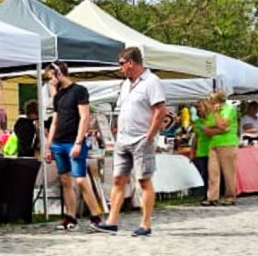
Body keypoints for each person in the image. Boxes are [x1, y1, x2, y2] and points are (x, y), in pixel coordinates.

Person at [100, 47, 166, 237]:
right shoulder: (125, 85)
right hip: (123, 139)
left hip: (140, 138)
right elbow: (123, 109)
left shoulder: (151, 82)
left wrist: (149, 136)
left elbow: (160, 110)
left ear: (131, 63)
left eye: (122, 64)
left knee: (144, 180)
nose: (120, 69)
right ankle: (112, 221)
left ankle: (145, 224)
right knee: (118, 179)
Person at [42, 61, 105, 231]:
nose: (50, 82)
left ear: (59, 74)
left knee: (81, 179)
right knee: (65, 180)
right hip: (58, 143)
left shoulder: (79, 91)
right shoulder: (58, 96)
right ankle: (70, 216)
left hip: (73, 142)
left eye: (51, 78)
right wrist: (49, 145)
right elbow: (55, 120)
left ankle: (95, 216)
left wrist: (78, 142)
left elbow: (84, 117)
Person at [200, 89, 239, 206]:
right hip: (214, 144)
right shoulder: (211, 112)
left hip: (227, 143)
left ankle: (230, 197)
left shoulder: (229, 109)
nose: (210, 103)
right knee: (213, 172)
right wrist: (219, 130)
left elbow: (222, 125)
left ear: (218, 101)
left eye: (211, 101)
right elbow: (207, 129)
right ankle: (212, 197)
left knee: (228, 172)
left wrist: (217, 115)